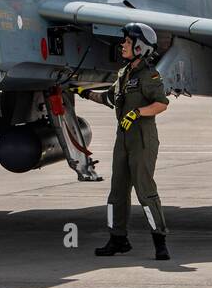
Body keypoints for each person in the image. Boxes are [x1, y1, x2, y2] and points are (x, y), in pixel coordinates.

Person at [74, 23, 172, 260]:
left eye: (127, 42)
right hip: (123, 139)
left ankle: (160, 241)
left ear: (139, 47)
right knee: (117, 192)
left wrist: (137, 113)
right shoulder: (123, 74)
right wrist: (82, 92)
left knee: (145, 191)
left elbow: (161, 104)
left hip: (142, 139)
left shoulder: (150, 75)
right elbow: (109, 99)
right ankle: (118, 239)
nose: (123, 45)